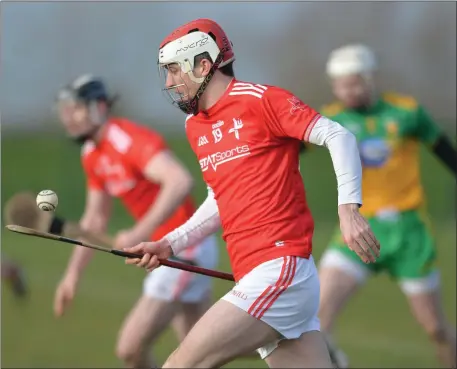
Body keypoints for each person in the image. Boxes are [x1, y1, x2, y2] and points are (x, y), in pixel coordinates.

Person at [125, 18, 380, 368]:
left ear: (203, 64)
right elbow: (220, 199)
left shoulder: (262, 101)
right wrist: (170, 244)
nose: (169, 82)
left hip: (280, 270)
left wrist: (348, 210)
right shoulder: (195, 126)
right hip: (260, 274)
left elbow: (339, 137)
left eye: (174, 70)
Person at [52, 74, 219, 369]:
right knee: (205, 351)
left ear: (99, 107)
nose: (70, 117)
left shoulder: (126, 139)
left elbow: (179, 181)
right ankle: (294, 346)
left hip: (183, 250)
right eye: (67, 109)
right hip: (164, 251)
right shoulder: (91, 153)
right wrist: (72, 275)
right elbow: (94, 219)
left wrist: (138, 232)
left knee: (130, 347)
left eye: (77, 108)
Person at [316, 44, 456, 368]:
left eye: (354, 82)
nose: (347, 91)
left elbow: (446, 152)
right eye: (340, 84)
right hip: (359, 229)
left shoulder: (406, 112)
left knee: (436, 329)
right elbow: (290, 151)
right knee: (317, 316)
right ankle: (335, 361)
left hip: (409, 233)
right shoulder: (330, 120)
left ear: (369, 79)